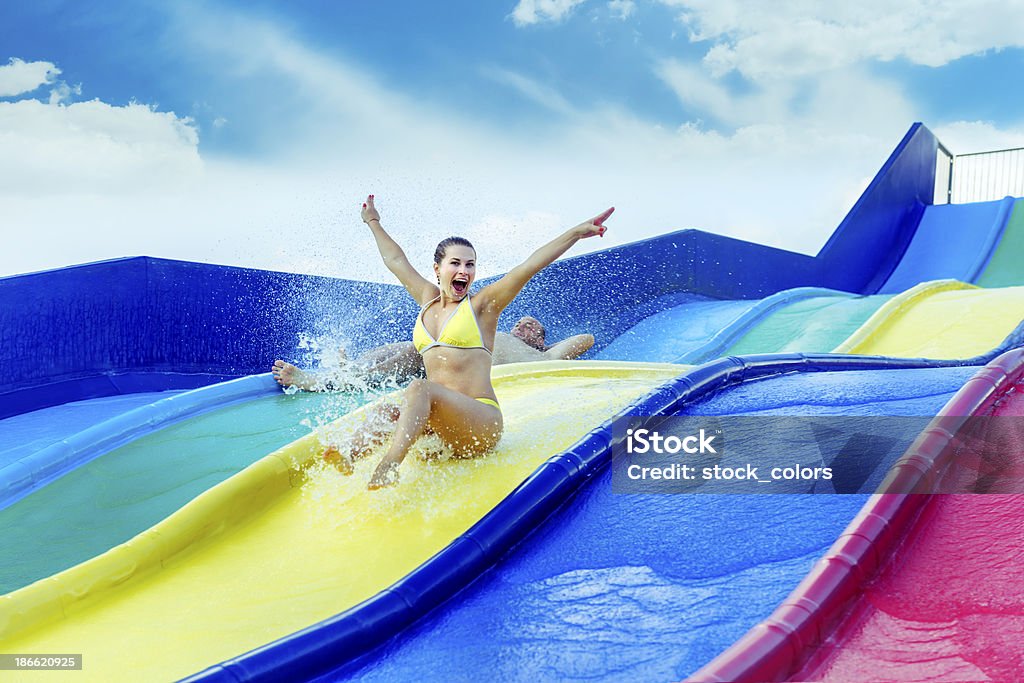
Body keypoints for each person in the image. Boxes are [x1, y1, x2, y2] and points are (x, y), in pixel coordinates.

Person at [331, 194, 611, 489]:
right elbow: (396, 260)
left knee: (419, 388)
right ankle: (350, 455)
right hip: (443, 426)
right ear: (437, 269)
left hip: (481, 423)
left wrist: (576, 233)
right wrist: (372, 221)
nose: (464, 271)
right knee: (389, 408)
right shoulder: (427, 301)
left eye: (470, 265)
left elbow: (529, 266)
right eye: (456, 263)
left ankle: (390, 465)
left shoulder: (483, 306)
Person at [270, 318, 594, 391]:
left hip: (467, 374)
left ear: (541, 340)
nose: (522, 327)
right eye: (519, 323)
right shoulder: (503, 333)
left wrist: (546, 349)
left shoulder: (540, 356)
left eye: (531, 327)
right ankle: (349, 369)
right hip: (451, 359)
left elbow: (586, 338)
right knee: (406, 347)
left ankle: (324, 382)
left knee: (420, 352)